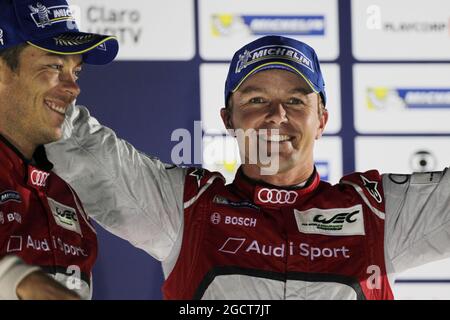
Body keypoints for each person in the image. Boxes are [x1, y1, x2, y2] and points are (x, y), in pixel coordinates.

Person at [46, 35, 450, 300]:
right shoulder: (187, 207)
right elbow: (81, 146)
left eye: (296, 101)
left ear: (322, 119)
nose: (276, 116)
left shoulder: (379, 211)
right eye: (256, 101)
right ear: (228, 119)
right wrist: (29, 74)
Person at [0, 0, 118, 299]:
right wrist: (16, 279)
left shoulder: (64, 192)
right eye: (54, 66)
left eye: (76, 71)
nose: (73, 87)